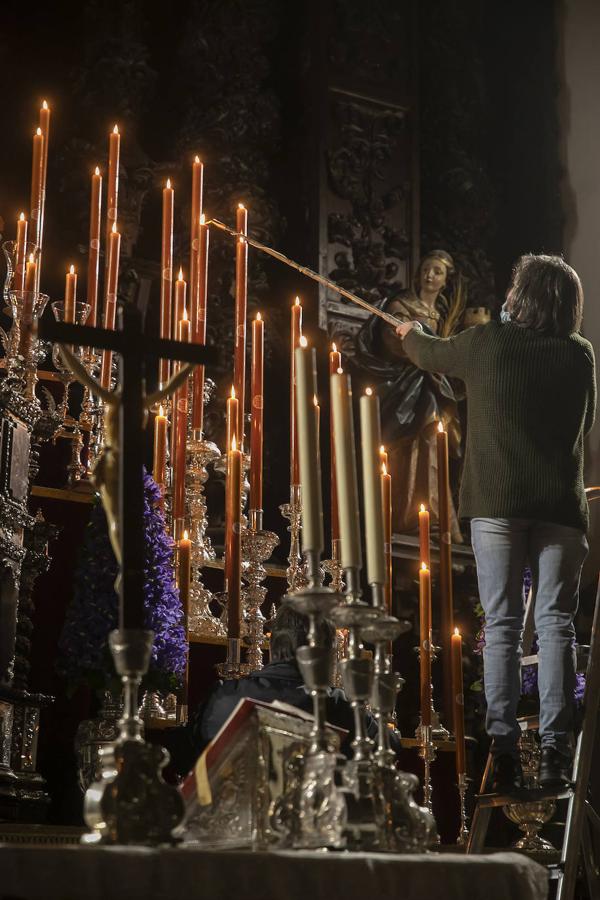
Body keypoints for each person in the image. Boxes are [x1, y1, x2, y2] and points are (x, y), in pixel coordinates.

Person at [395, 254, 596, 792]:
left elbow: (429, 353)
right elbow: (585, 424)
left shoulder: (488, 344)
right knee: (556, 626)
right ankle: (556, 751)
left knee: (503, 628)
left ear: (521, 295)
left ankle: (504, 752)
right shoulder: (580, 356)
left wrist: (408, 331)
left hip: (497, 506)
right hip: (560, 509)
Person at [164, 605, 388, 775]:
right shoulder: (336, 704)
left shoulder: (224, 695)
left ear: (273, 648)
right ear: (325, 655)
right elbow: (388, 746)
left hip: (228, 829)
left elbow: (180, 758)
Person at [351, 250, 466, 537]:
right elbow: (392, 339)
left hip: (432, 383)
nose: (430, 275)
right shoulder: (401, 303)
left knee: (434, 442)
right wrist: (416, 338)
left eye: (437, 271)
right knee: (408, 445)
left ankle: (435, 513)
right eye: (426, 269)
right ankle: (407, 515)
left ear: (445, 280)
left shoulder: (442, 314)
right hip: (405, 385)